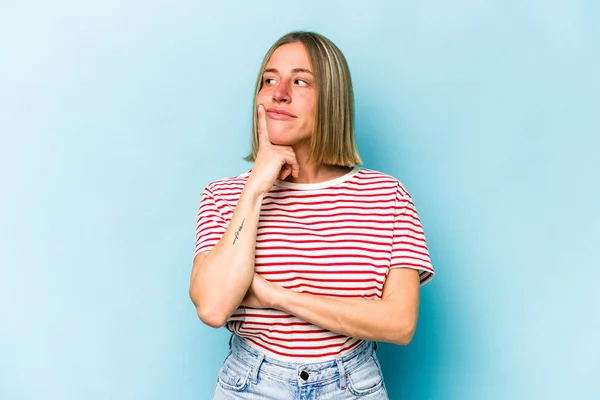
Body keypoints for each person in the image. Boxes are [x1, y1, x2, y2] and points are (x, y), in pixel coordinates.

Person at [189, 31, 434, 399]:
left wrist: (273, 295)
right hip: (250, 385)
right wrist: (255, 187)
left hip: (352, 386)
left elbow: (399, 323)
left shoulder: (386, 196)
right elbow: (213, 305)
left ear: (331, 100)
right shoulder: (224, 196)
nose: (279, 92)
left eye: (300, 80)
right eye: (269, 80)